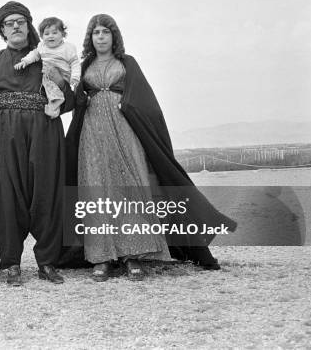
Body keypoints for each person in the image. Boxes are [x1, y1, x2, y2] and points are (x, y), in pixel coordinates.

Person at [64, 14, 237, 279]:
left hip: (125, 131)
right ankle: (102, 258)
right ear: (90, 37)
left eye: (105, 32)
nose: (100, 37)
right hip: (92, 135)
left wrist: (128, 106)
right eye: (96, 32)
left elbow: (144, 99)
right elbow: (74, 97)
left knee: (131, 190)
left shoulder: (127, 62)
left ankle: (135, 255)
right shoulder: (84, 64)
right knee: (96, 192)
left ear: (114, 36)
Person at [0, 1, 75, 286]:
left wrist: (60, 82)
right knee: (8, 199)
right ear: (1, 30)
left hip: (45, 134)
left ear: (29, 26)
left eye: (20, 21)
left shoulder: (49, 60)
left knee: (49, 196)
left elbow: (70, 103)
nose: (15, 26)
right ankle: (11, 264)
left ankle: (48, 263)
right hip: (4, 139)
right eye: (8, 23)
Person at [14, 17, 81, 118]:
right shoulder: (42, 46)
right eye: (47, 34)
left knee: (53, 90)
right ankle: (55, 110)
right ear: (41, 36)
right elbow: (34, 55)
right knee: (49, 89)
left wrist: (75, 77)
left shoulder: (68, 48)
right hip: (48, 75)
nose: (51, 36)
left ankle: (56, 104)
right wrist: (25, 61)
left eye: (54, 33)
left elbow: (75, 63)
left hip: (64, 75)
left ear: (63, 34)